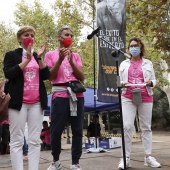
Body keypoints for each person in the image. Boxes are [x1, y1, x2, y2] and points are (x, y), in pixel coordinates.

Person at [3, 25, 50, 170]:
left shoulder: (37, 56)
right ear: (19, 39)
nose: (30, 38)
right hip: (18, 103)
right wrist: (27, 60)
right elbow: (9, 74)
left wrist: (40, 58)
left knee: (34, 141)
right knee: (17, 141)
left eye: (32, 35)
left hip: (36, 103)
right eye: (26, 35)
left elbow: (46, 76)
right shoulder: (12, 55)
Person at [44, 26, 85, 170]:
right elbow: (50, 76)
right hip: (60, 94)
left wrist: (72, 61)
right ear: (59, 37)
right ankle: (55, 160)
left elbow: (82, 77)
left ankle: (75, 162)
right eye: (66, 34)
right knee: (56, 129)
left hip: (76, 95)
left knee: (78, 129)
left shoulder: (76, 55)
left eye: (71, 35)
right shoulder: (50, 55)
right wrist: (60, 60)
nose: (69, 37)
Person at [118, 37, 161, 169]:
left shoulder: (148, 63)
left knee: (146, 127)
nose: (133, 48)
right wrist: (122, 83)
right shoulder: (123, 64)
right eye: (131, 46)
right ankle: (125, 158)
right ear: (128, 49)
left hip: (145, 96)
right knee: (127, 126)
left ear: (141, 47)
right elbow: (118, 82)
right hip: (127, 97)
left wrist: (151, 83)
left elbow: (154, 80)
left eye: (136, 45)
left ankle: (148, 157)